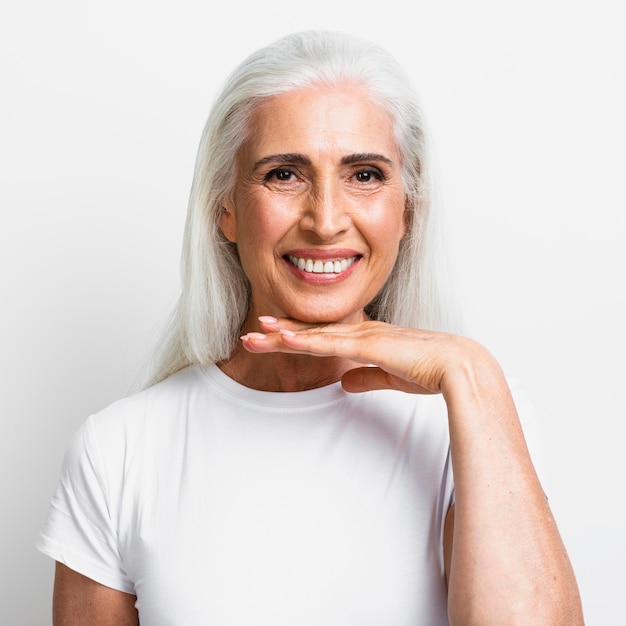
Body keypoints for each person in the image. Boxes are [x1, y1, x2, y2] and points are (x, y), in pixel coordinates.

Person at [37, 30, 584, 625]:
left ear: (408, 210)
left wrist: (473, 373)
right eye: (284, 174)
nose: (326, 221)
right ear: (224, 207)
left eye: (366, 175)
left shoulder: (473, 416)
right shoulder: (119, 450)